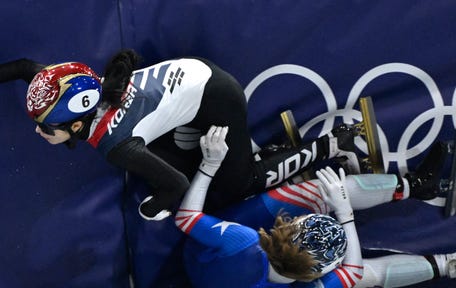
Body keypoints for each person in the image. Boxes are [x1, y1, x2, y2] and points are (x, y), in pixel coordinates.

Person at [0, 50, 395, 220]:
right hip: (190, 80)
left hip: (216, 96)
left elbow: (175, 185)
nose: (38, 130)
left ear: (75, 125)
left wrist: (151, 209)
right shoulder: (69, 84)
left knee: (237, 187)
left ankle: (335, 142)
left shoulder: (113, 144)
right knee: (173, 155)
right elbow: (21, 68)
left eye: (45, 126)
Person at [175, 126, 455, 288]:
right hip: (228, 282)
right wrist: (342, 208)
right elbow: (352, 271)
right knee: (324, 196)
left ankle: (447, 265)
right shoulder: (245, 242)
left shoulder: (244, 242)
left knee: (358, 276)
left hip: (214, 276)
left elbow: (186, 218)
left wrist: (209, 165)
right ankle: (413, 187)